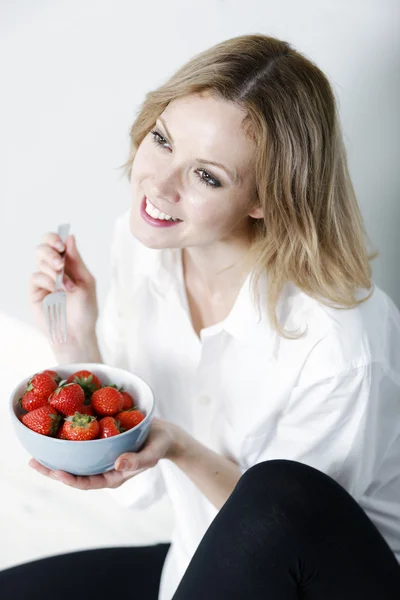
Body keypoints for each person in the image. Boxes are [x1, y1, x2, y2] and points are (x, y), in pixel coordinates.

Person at [3, 33, 400, 599]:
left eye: (206, 175)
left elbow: (276, 538)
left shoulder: (340, 346)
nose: (158, 187)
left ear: (267, 198)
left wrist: (180, 447)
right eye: (162, 140)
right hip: (197, 560)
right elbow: (136, 486)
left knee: (277, 487)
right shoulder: (145, 250)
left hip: (315, 588)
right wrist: (73, 335)